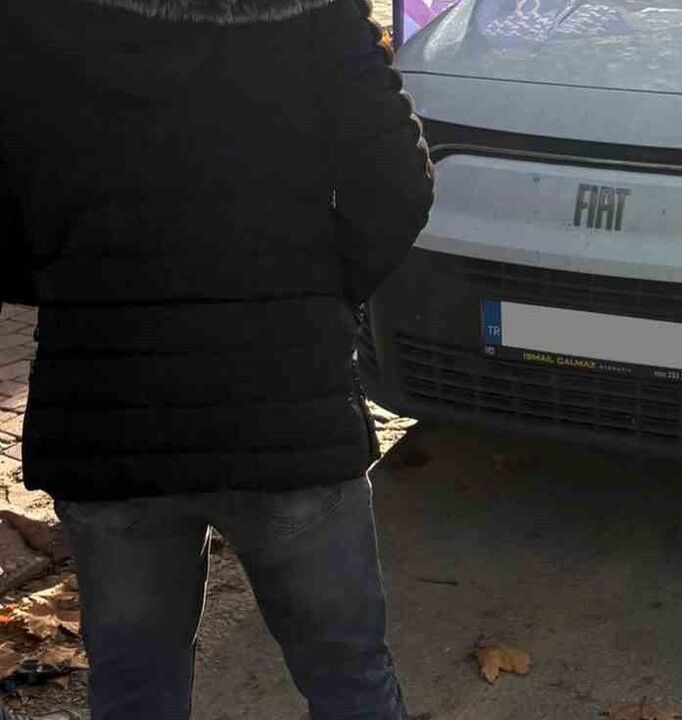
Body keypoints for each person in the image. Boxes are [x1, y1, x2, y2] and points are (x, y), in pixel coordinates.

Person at [0, 0, 434, 717]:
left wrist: (73, 287)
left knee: (135, 689)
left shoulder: (30, 22)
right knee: (349, 677)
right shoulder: (319, 16)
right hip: (288, 404)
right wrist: (318, 296)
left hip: (107, 407)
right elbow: (397, 185)